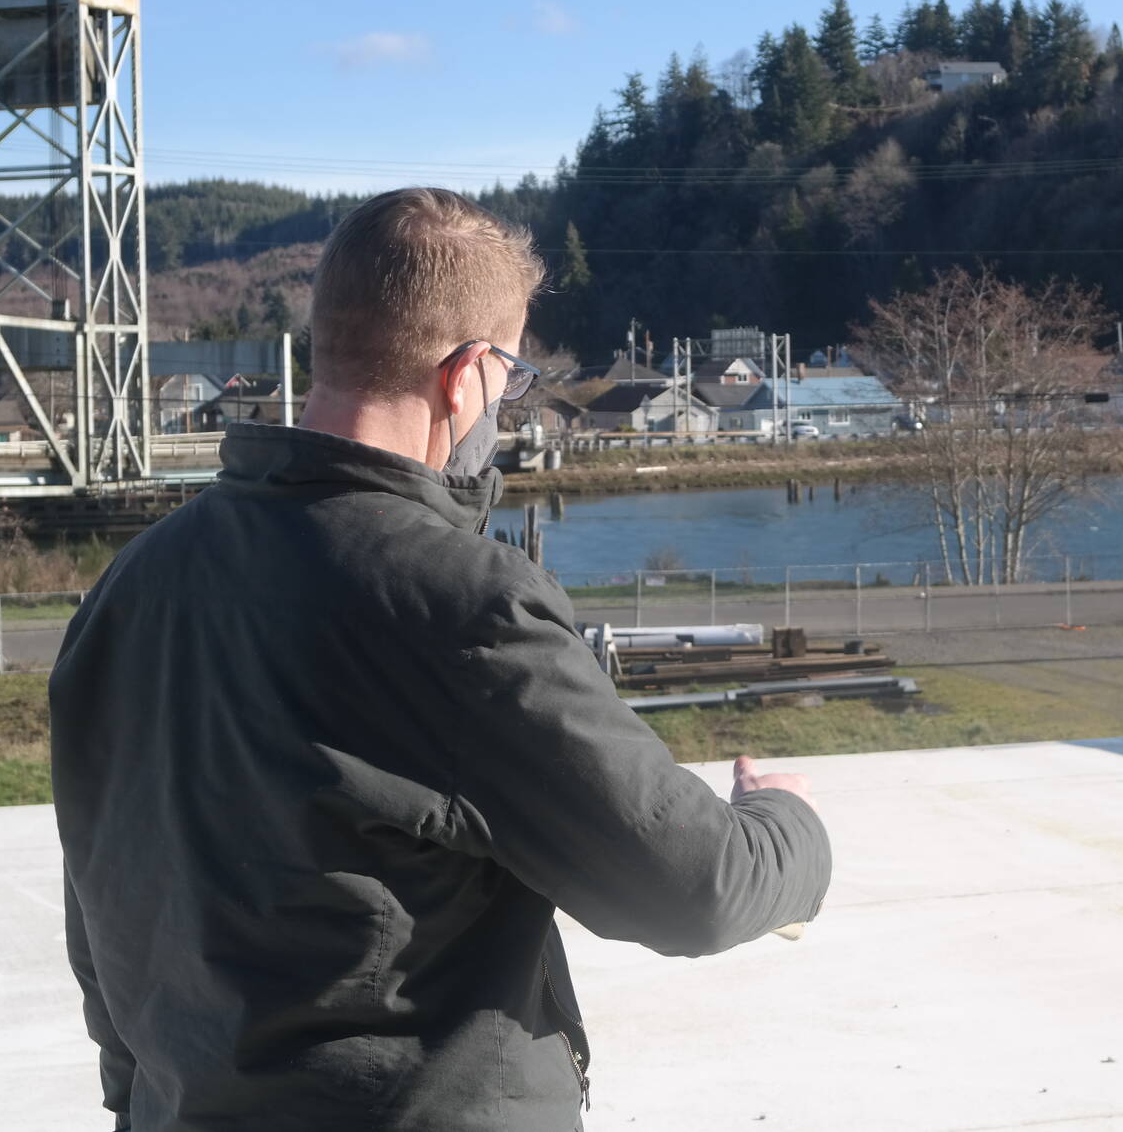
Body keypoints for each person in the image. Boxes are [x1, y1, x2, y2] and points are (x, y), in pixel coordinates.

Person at [51, 188, 831, 1132]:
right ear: (467, 376)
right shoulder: (460, 602)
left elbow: (101, 912)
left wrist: (135, 1102)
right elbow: (694, 887)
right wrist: (789, 822)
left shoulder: (131, 587)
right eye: (511, 383)